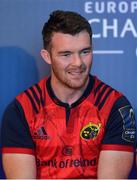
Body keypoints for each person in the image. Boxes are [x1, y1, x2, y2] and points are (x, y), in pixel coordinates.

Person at [1, 10, 136, 179]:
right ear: (47, 56)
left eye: (85, 52)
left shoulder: (115, 106)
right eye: (66, 54)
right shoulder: (21, 109)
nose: (78, 63)